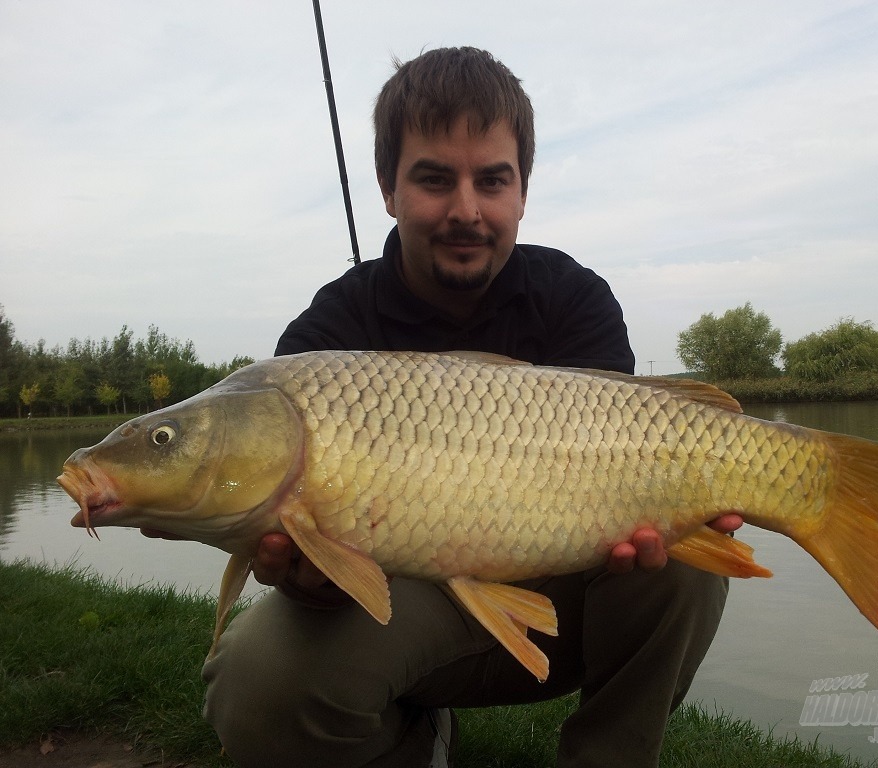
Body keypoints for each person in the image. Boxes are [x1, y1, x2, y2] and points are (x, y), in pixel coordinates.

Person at [200, 46, 741, 768]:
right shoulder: (325, 338)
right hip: (407, 606)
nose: (465, 210)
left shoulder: (573, 299)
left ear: (522, 190)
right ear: (388, 190)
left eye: (492, 181)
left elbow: (624, 504)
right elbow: (305, 559)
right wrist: (309, 578)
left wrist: (654, 523)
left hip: (566, 598)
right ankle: (412, 738)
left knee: (684, 549)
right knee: (257, 682)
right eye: (432, 180)